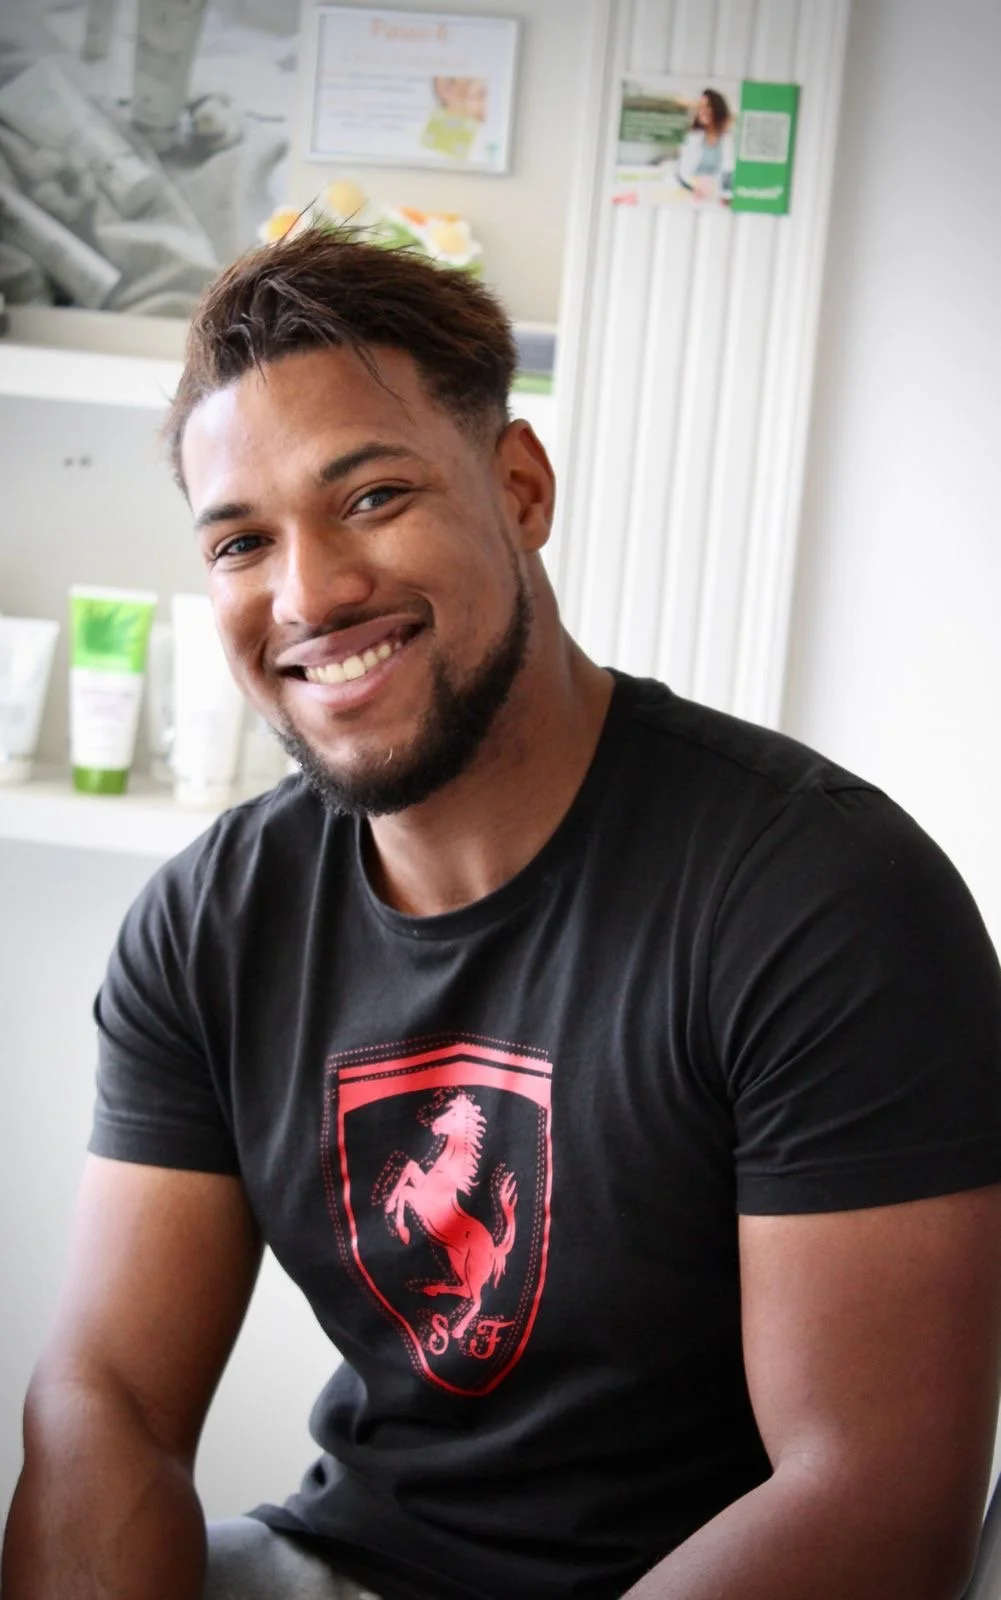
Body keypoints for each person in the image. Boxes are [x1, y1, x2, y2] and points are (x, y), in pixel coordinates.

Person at [4, 229, 1001, 1600]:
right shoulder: (207, 925)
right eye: (243, 540)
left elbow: (877, 1497)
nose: (307, 594)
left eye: (370, 497)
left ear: (519, 488)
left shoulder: (819, 898)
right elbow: (102, 1396)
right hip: (339, 1563)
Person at [675, 88, 736, 202]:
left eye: (707, 106)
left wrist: (726, 195)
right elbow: (682, 172)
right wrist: (694, 189)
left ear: (717, 108)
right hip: (694, 194)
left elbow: (729, 170)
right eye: (700, 107)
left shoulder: (728, 138)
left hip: (719, 196)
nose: (703, 111)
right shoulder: (692, 137)